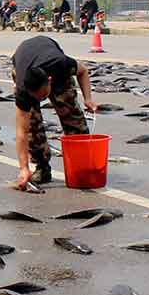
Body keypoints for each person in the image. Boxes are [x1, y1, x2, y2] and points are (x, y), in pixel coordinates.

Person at [12, 35, 98, 188]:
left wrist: (88, 99)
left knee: (72, 116)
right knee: (31, 124)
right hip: (22, 60)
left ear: (49, 81)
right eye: (37, 98)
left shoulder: (61, 65)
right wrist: (23, 168)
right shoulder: (23, 91)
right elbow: (21, 132)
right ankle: (42, 166)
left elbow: (83, 71)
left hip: (51, 61)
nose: (41, 100)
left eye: (44, 96)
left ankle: (82, 166)